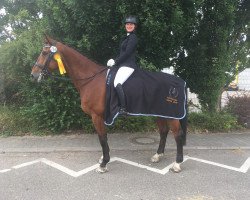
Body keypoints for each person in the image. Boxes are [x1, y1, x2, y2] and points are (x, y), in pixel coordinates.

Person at [107, 16, 138, 114]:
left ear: (134, 26)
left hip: (128, 65)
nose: (129, 26)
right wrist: (114, 61)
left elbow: (128, 53)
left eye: (131, 24)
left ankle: (123, 108)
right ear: (125, 26)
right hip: (122, 65)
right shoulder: (126, 37)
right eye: (127, 24)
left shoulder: (133, 37)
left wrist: (116, 62)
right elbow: (121, 53)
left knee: (117, 83)